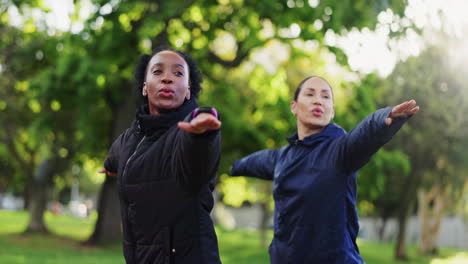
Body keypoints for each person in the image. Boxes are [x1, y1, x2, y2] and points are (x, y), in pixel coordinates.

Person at [230, 76, 419, 264]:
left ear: (332, 111)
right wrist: (230, 168)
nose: (318, 100)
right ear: (294, 106)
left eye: (326, 97)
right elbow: (253, 162)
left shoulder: (341, 151)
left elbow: (363, 135)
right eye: (310, 94)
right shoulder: (282, 157)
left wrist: (381, 120)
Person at [100, 46, 222, 264]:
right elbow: (117, 153)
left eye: (178, 73)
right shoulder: (132, 136)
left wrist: (202, 134)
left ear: (187, 90)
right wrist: (110, 166)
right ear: (145, 87)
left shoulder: (186, 132)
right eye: (158, 72)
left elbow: (197, 158)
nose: (168, 79)